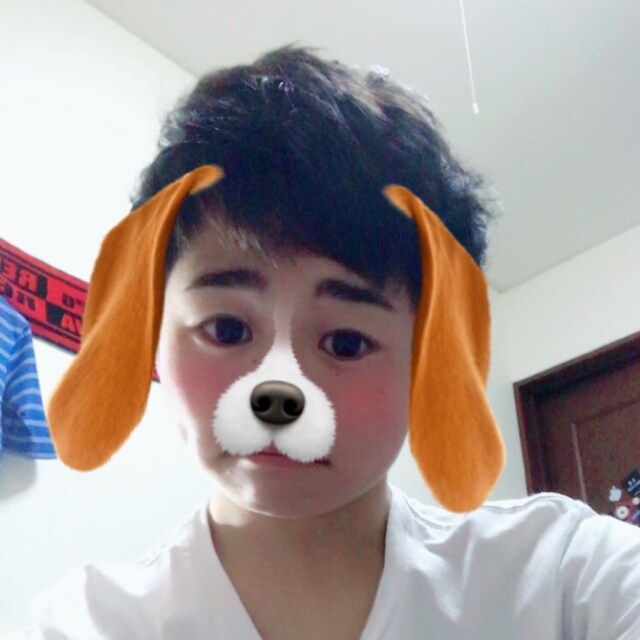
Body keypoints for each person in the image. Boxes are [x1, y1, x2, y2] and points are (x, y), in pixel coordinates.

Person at [11, 47, 640, 639]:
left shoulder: (561, 577)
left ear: (430, 361)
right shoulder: (84, 626)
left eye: (345, 342)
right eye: (227, 330)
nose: (277, 389)